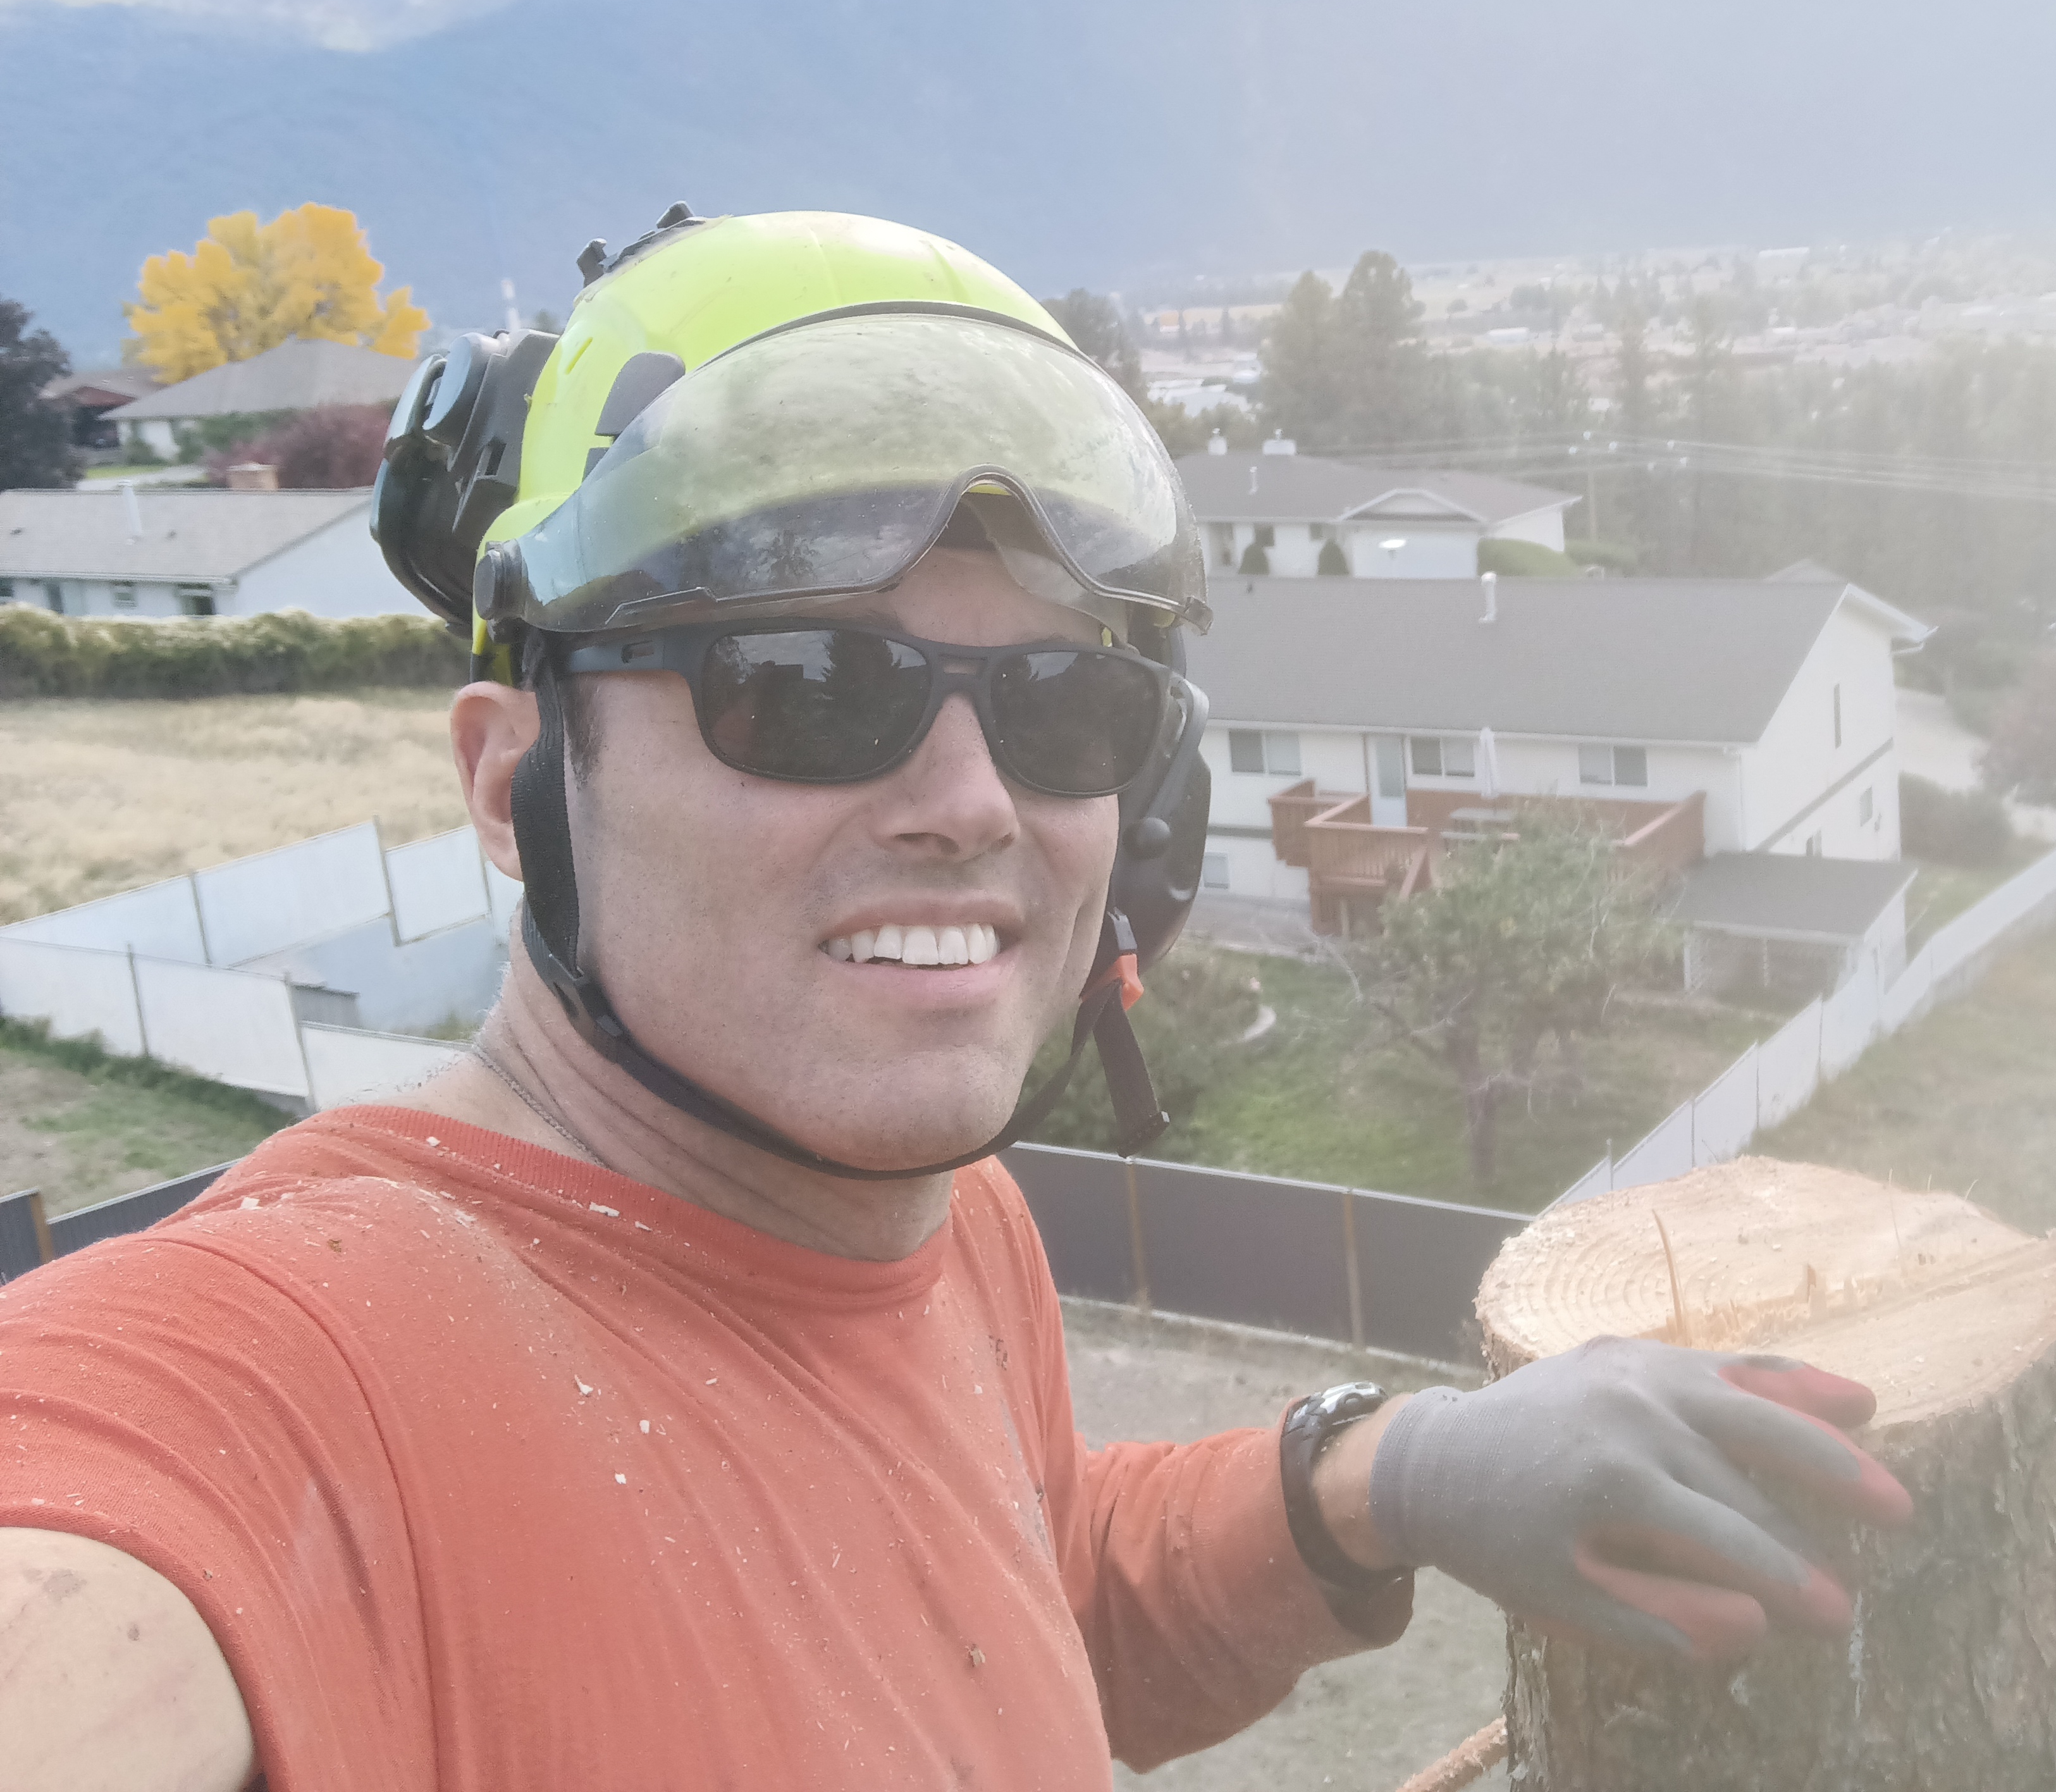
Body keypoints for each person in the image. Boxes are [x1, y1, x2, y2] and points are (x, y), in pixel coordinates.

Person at [0, 209, 1911, 1788]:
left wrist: (1376, 1477)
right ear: (514, 784)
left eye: (1067, 704)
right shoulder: (293, 1373)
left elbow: (1009, 1595)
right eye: (808, 685)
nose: (975, 803)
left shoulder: (954, 1226)